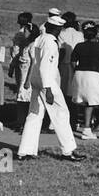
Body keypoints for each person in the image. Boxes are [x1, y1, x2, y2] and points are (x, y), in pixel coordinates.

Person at [17, 16, 85, 161]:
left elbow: (35, 61)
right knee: (61, 114)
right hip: (47, 82)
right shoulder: (51, 43)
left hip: (37, 80)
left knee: (34, 115)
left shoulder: (40, 39)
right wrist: (48, 89)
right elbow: (45, 67)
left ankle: (25, 151)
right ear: (58, 29)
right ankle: (68, 151)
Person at [70, 25, 99, 139]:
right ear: (95, 35)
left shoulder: (79, 46)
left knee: (89, 102)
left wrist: (77, 71)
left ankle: (86, 129)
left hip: (80, 75)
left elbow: (73, 62)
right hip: (94, 75)